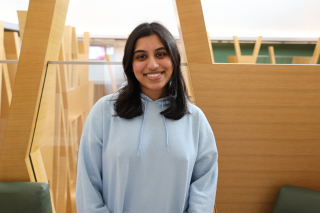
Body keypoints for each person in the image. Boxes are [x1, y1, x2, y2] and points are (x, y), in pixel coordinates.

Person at [76, 22, 218, 213]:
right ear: (130, 64)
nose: (152, 64)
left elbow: (204, 187)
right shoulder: (103, 112)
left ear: (174, 59)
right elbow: (88, 186)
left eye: (161, 54)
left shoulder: (195, 119)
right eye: (141, 56)